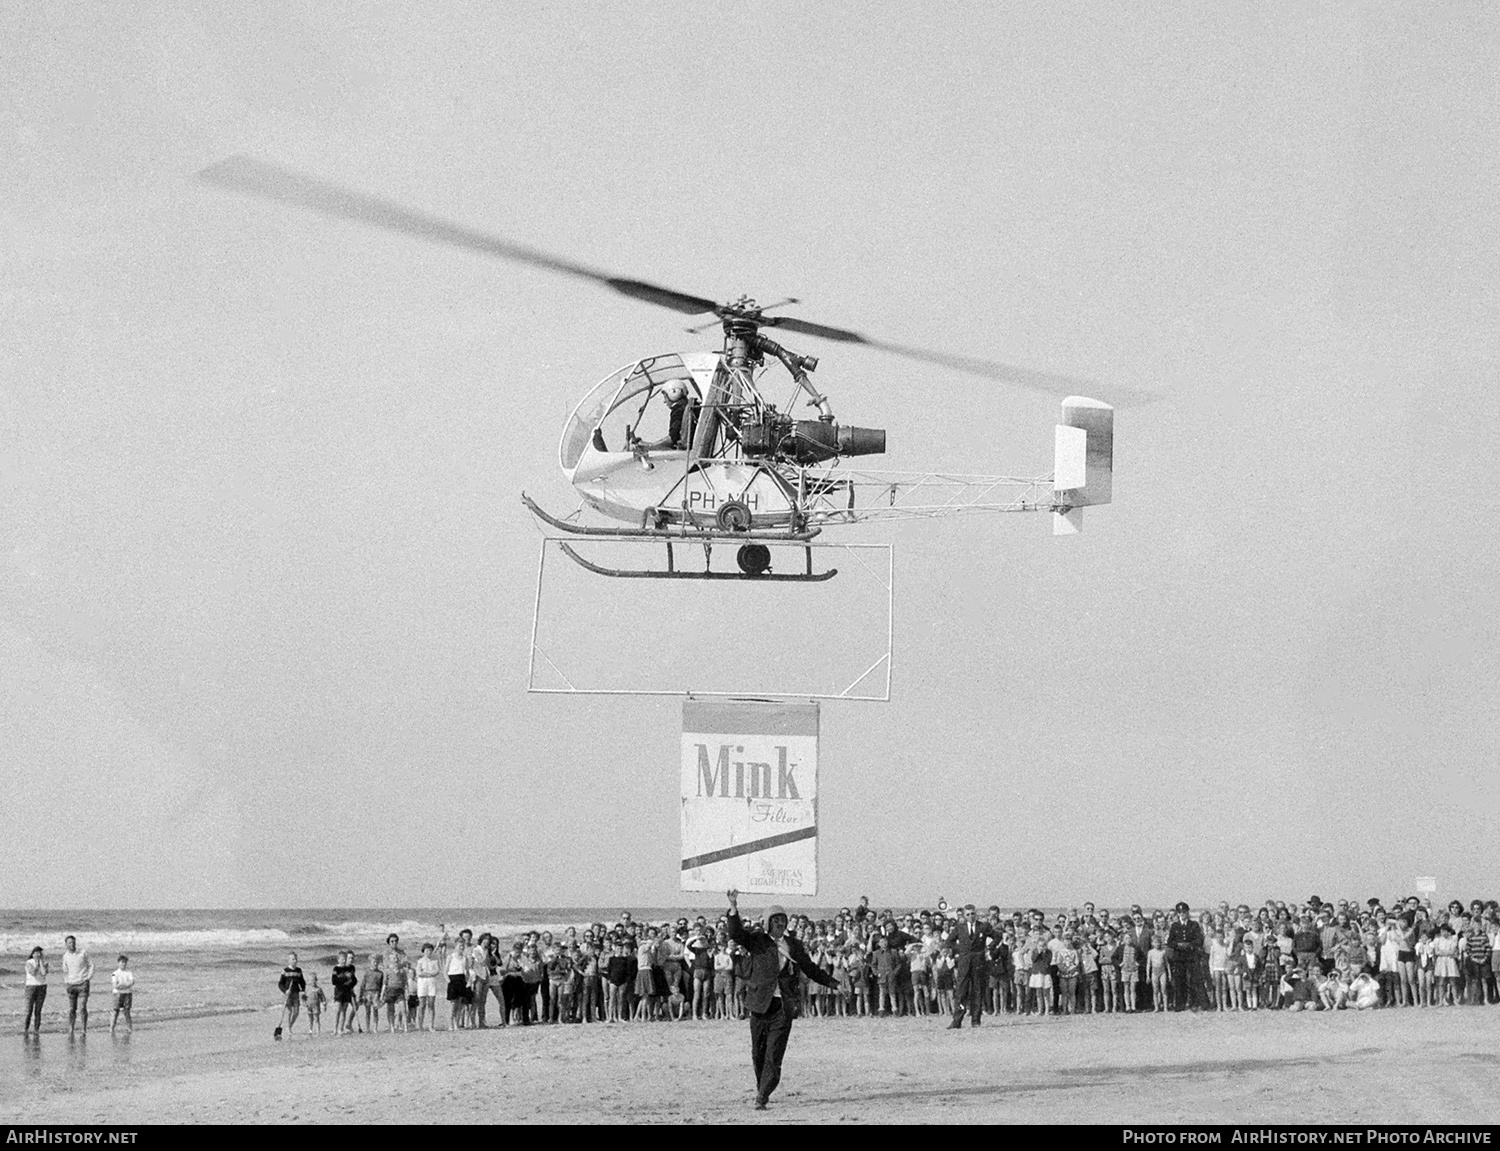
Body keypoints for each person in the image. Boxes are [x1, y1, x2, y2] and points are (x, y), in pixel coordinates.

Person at [725, 888, 836, 1111]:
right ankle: (762, 1087)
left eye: (782, 920)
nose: (779, 924)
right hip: (758, 1004)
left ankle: (762, 1096)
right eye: (775, 920)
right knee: (758, 1052)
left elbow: (809, 967)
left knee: (774, 1054)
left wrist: (833, 983)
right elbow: (736, 933)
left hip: (783, 1006)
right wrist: (734, 906)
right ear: (766, 923)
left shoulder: (793, 945)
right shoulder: (756, 940)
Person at [942, 903, 996, 1029]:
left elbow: (996, 936)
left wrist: (989, 948)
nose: (971, 916)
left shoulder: (983, 926)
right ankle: (957, 1020)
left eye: (973, 914)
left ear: (975, 914)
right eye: (968, 914)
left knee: (977, 990)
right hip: (964, 962)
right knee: (961, 991)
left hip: (978, 962)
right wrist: (960, 949)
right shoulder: (959, 928)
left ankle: (976, 1020)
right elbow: (948, 941)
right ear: (964, 916)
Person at [1165, 903, 1206, 1012]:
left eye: (1184, 912)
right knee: (1179, 980)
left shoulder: (1194, 925)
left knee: (1196, 979)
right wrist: (1178, 945)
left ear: (1188, 912)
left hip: (1191, 956)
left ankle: (1201, 1003)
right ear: (1177, 914)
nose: (1182, 914)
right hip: (1179, 957)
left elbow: (1199, 940)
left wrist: (1190, 944)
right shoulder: (1175, 926)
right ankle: (1180, 1004)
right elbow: (1170, 942)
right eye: (1180, 913)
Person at [61, 935, 94, 1036]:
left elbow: (91, 965)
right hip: (71, 984)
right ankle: (71, 1028)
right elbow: (65, 971)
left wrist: (88, 977)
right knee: (72, 1009)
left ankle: (84, 1028)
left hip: (83, 983)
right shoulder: (65, 956)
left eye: (73, 942)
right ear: (66, 944)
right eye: (70, 943)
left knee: (82, 1007)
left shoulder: (82, 952)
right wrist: (66, 982)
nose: (72, 944)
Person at [277, 952, 306, 1040]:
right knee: (289, 1012)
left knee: (296, 1012)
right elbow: (280, 984)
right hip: (288, 994)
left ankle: (289, 1025)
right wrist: (285, 991)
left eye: (296, 959)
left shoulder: (298, 971)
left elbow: (302, 982)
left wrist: (302, 991)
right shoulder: (285, 971)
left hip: (296, 993)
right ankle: (289, 1029)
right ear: (288, 960)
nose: (295, 961)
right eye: (293, 959)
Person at [24, 946, 48, 1036]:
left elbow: (44, 973)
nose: (38, 954)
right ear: (32, 954)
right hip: (31, 987)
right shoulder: (28, 962)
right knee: (29, 1011)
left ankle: (36, 1030)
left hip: (41, 987)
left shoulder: (44, 962)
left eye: (40, 953)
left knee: (38, 1011)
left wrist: (41, 963)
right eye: (36, 953)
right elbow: (33, 972)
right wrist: (37, 964)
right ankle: (26, 1029)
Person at [109, 955, 135, 1035]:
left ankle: (129, 1028)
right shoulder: (114, 973)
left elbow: (132, 982)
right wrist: (125, 985)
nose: (123, 964)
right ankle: (111, 1028)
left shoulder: (129, 972)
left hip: (127, 993)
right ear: (118, 963)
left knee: (127, 1011)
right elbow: (115, 985)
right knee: (115, 1011)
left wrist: (123, 985)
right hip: (117, 994)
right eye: (122, 962)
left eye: (124, 962)